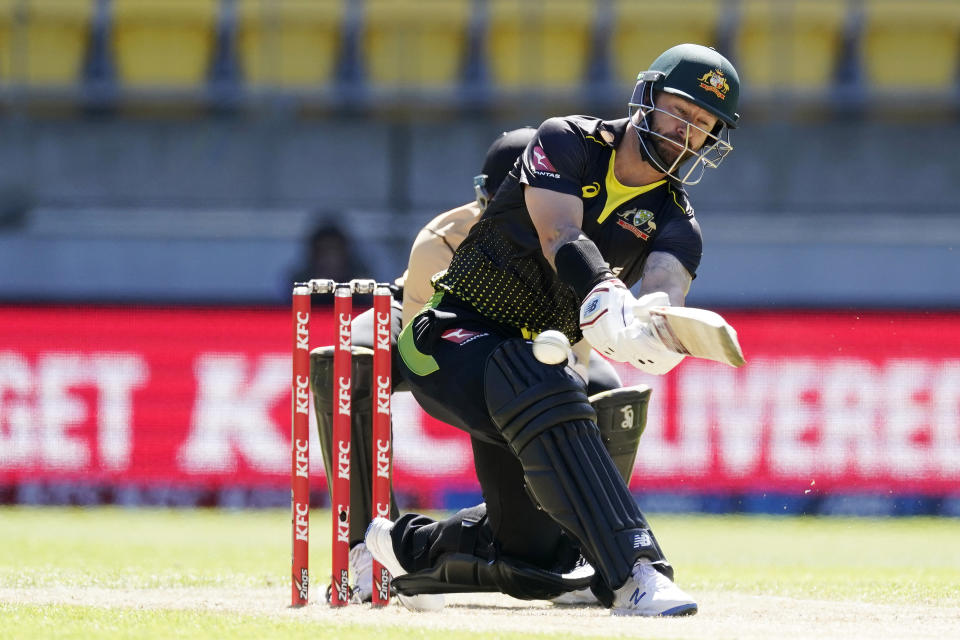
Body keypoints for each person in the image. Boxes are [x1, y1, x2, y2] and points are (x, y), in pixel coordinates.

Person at [365, 43, 741, 617]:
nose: (686, 133)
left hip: (528, 374)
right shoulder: (566, 139)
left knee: (537, 560)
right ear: (646, 98)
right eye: (679, 111)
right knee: (543, 371)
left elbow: (665, 288)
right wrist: (605, 293)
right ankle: (638, 570)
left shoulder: (677, 222)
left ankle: (402, 546)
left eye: (702, 126)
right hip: (446, 337)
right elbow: (560, 235)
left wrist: (655, 330)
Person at [311, 128, 652, 607]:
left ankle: (586, 549)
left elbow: (575, 356)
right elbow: (427, 344)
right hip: (426, 325)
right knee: (350, 359)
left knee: (605, 387)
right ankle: (364, 550)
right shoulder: (444, 237)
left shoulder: (571, 232)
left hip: (527, 339)